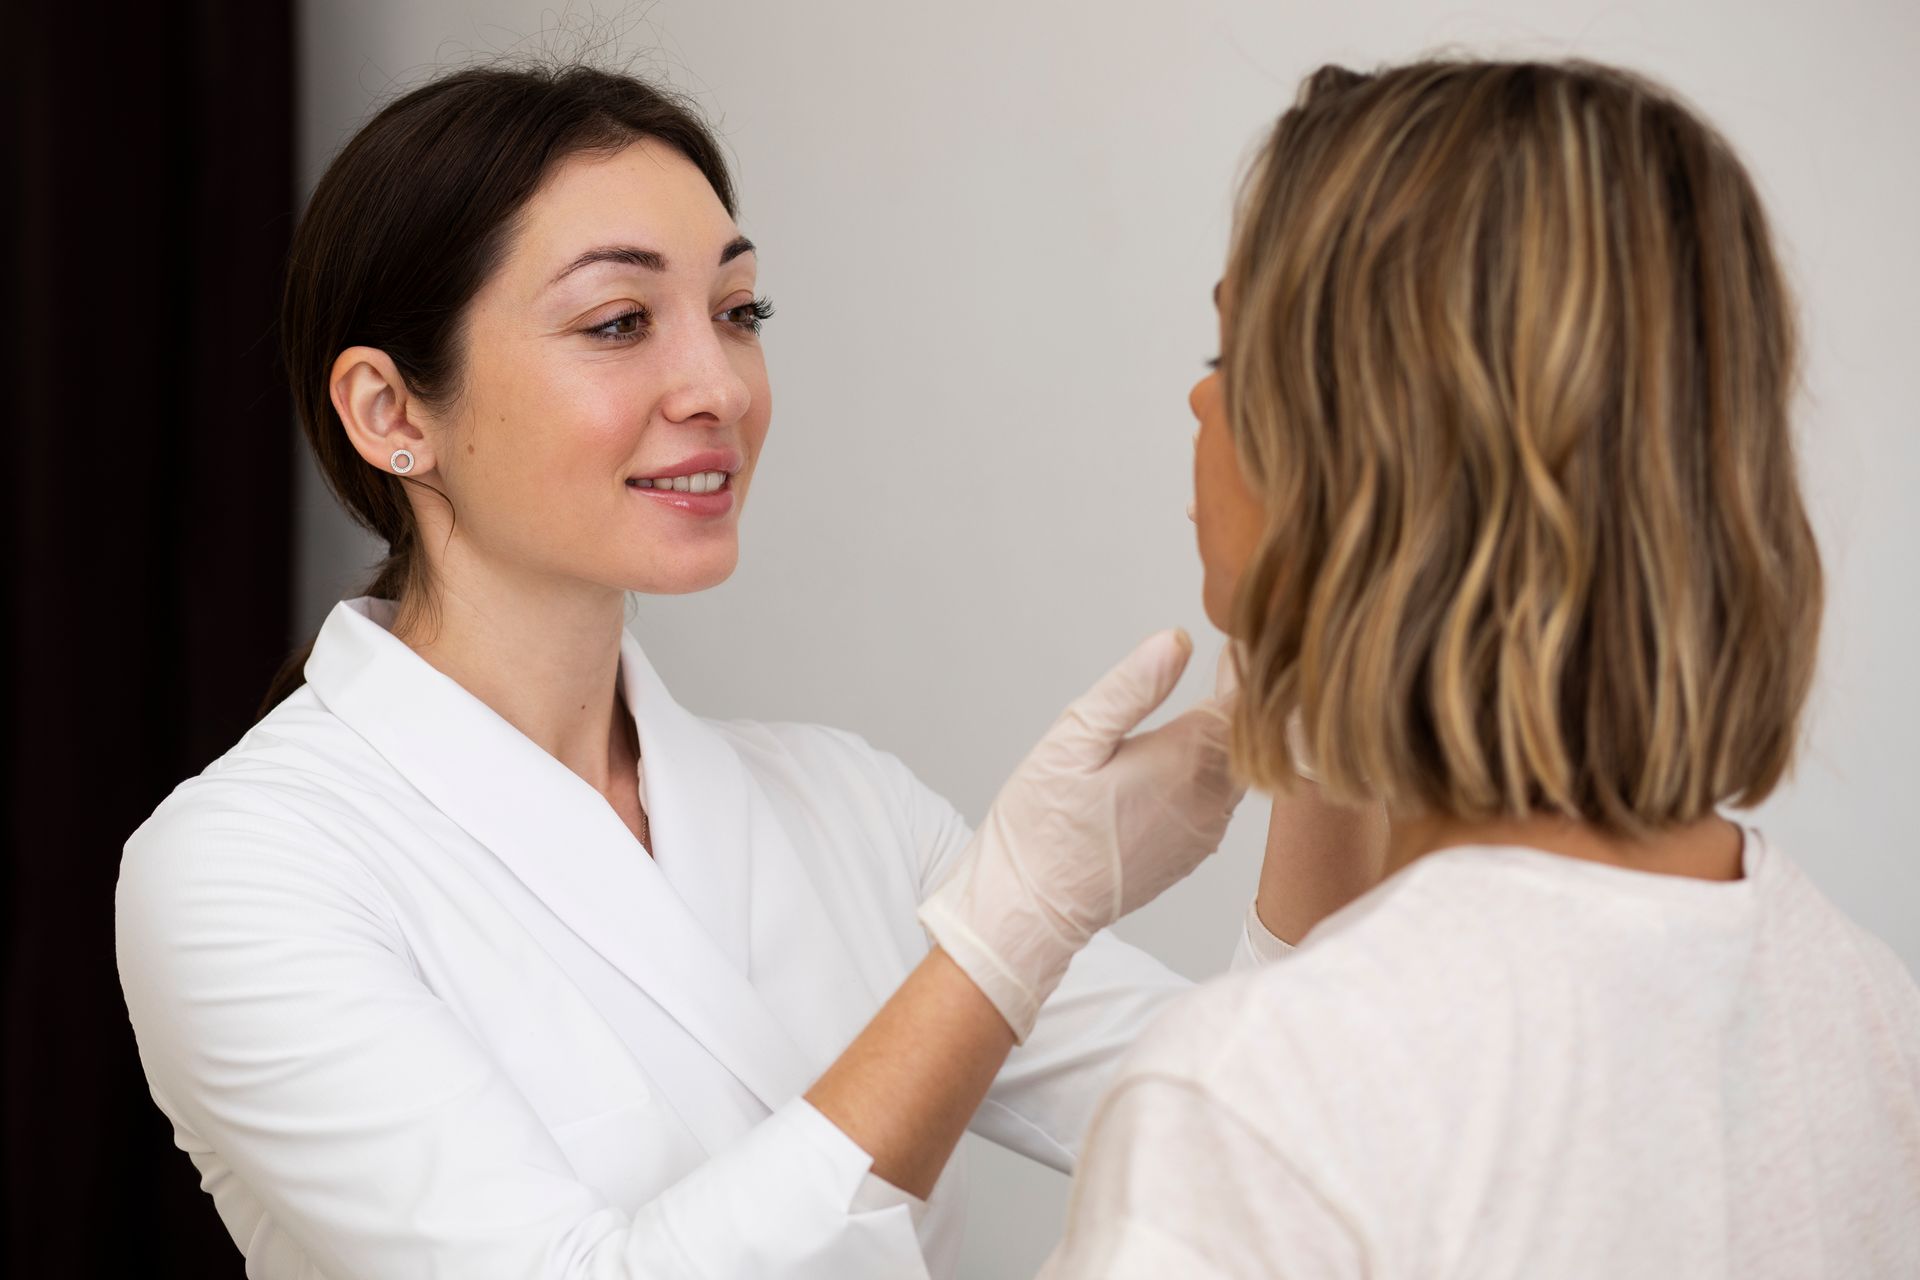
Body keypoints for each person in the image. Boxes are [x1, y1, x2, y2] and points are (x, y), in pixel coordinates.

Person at [113, 61, 1380, 1279]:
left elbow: (1277, 1138)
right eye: (619, 323)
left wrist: (1328, 733)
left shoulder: (843, 808)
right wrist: (1011, 928)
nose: (717, 384)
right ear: (393, 411)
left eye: (737, 312)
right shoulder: (241, 868)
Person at [1041, 58, 1920, 1279]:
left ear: (1369, 446)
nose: (1199, 401)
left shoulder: (1251, 1106)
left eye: (1231, 351)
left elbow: (1384, 1072)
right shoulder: (1871, 1013)